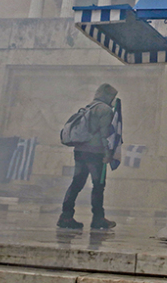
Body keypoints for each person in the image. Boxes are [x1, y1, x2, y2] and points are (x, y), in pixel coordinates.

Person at [57, 83, 119, 230]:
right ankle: (98, 219)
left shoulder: (89, 106)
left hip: (80, 151)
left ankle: (66, 216)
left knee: (76, 183)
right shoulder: (105, 110)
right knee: (98, 185)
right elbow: (105, 135)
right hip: (95, 153)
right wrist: (107, 154)